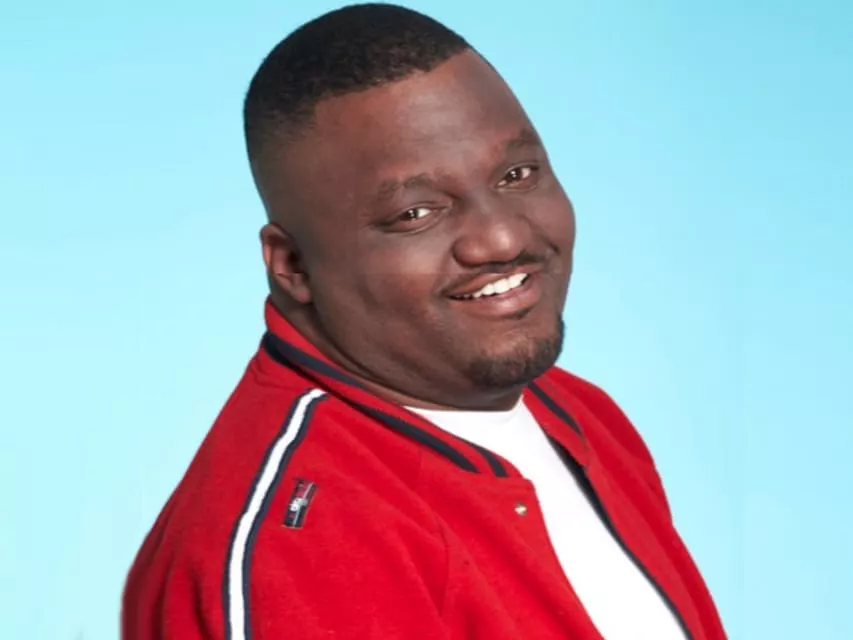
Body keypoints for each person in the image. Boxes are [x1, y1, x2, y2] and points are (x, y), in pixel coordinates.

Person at [122, 4, 726, 639]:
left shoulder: (582, 415)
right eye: (416, 213)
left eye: (517, 175)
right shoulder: (303, 547)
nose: (501, 238)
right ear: (293, 265)